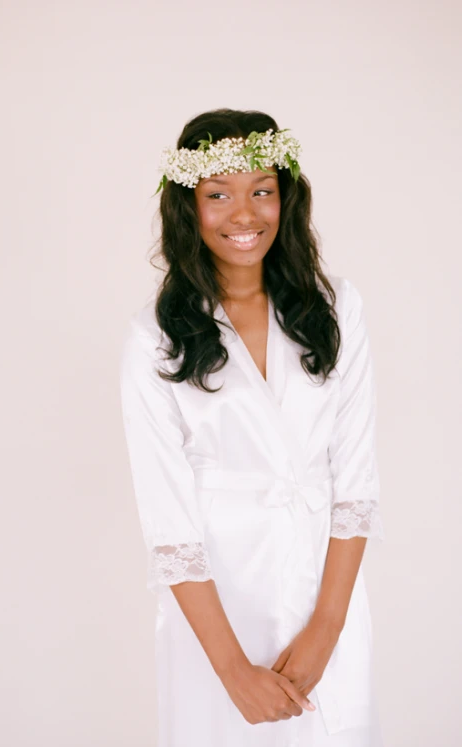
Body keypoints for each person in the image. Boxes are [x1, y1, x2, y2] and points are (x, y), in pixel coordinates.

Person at [119, 108, 386, 747]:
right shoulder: (154, 341)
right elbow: (169, 523)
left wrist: (327, 626)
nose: (245, 214)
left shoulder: (336, 310)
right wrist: (233, 669)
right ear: (189, 207)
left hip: (327, 592)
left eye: (261, 191)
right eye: (218, 196)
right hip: (218, 609)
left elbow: (355, 483)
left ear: (285, 199)